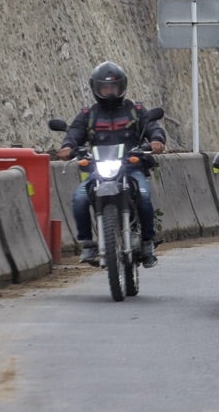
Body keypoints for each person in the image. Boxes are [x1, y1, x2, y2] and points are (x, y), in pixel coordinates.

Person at [56, 61, 166, 267]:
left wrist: (157, 140)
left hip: (131, 168)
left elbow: (152, 126)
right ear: (96, 89)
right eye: (105, 88)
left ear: (121, 87)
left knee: (143, 196)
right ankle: (88, 243)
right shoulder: (89, 115)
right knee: (79, 198)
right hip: (99, 170)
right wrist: (68, 147)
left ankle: (147, 242)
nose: (109, 93)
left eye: (113, 88)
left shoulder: (135, 110)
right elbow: (73, 134)